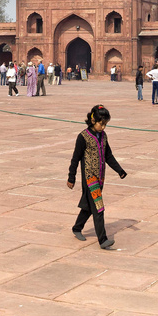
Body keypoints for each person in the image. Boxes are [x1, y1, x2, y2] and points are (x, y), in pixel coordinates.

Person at [66, 105, 128, 250]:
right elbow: (75, 159)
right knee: (99, 207)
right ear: (93, 120)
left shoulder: (103, 136)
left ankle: (77, 227)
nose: (104, 127)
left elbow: (108, 156)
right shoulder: (83, 137)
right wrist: (71, 177)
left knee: (89, 207)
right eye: (102, 124)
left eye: (106, 124)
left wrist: (120, 170)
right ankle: (103, 240)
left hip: (100, 177)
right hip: (90, 178)